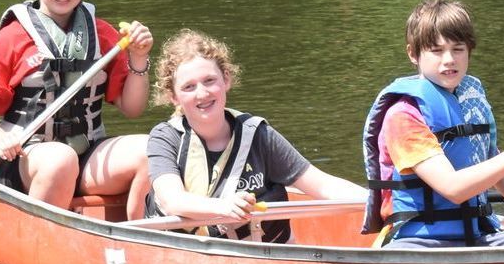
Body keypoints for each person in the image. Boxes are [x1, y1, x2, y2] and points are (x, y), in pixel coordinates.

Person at [0, 0, 154, 217]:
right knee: (60, 160)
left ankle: (136, 236)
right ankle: (37, 242)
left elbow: (132, 109)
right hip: (27, 157)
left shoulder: (103, 33)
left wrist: (138, 56)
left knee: (153, 149)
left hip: (86, 153)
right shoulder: (10, 39)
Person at [362, 0, 504, 247]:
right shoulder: (404, 116)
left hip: (478, 233)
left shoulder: (469, 100)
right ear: (413, 54)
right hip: (419, 242)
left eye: (458, 49)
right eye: (436, 51)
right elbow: (453, 188)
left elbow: (489, 159)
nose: (449, 59)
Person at [146, 29, 367, 241]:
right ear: (173, 96)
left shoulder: (258, 135)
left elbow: (322, 185)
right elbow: (172, 200)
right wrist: (223, 207)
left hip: (269, 253)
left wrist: (381, 200)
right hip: (190, 257)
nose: (202, 93)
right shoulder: (165, 139)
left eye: (209, 81)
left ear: (226, 80)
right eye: (189, 87)